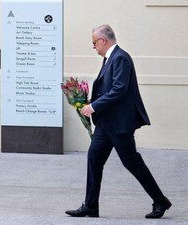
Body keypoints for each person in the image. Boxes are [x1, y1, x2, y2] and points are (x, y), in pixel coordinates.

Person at [65, 25, 171, 219]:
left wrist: (94, 106)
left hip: (119, 124)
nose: (94, 47)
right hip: (106, 124)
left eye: (94, 43)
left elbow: (119, 89)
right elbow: (109, 89)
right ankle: (90, 205)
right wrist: (91, 102)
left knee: (132, 162)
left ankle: (160, 200)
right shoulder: (110, 58)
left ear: (103, 41)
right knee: (94, 159)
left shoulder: (120, 57)